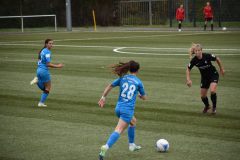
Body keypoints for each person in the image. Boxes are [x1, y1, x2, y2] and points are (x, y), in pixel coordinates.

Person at [98, 60, 147, 160]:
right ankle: (105, 147)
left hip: (118, 108)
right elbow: (144, 97)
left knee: (133, 121)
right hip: (127, 110)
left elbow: (110, 85)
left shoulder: (123, 78)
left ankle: (131, 145)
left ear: (129, 69)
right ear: (137, 70)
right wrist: (139, 95)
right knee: (119, 130)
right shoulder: (138, 82)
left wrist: (103, 97)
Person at [186, 43, 225, 114]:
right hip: (204, 78)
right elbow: (188, 69)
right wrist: (188, 80)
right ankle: (207, 106)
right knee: (203, 96)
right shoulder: (194, 60)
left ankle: (214, 108)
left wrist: (221, 69)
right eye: (196, 51)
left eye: (199, 50)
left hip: (213, 75)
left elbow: (217, 59)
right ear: (194, 51)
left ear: (201, 50)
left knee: (212, 90)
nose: (197, 52)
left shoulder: (207, 56)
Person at [30, 39, 63, 107]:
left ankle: (37, 82)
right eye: (50, 43)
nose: (51, 45)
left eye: (52, 43)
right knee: (48, 88)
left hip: (39, 70)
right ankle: (41, 103)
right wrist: (58, 66)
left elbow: (39, 61)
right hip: (44, 71)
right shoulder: (47, 52)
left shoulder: (42, 50)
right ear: (46, 44)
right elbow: (48, 64)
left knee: (46, 88)